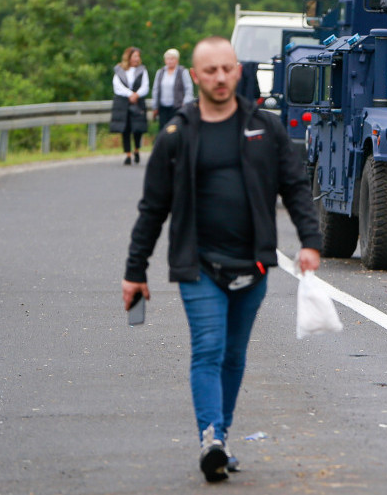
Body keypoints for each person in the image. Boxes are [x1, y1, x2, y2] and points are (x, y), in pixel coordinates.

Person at [120, 36, 321, 483]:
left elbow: (295, 188)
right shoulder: (177, 134)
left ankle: (222, 438)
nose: (219, 77)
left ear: (238, 70)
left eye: (226, 69)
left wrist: (310, 241)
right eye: (209, 71)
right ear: (195, 76)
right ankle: (210, 436)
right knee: (208, 348)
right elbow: (152, 209)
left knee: (233, 354)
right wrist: (135, 271)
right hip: (199, 265)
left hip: (254, 264)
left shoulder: (264, 128)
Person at [109, 46, 150, 165]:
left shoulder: (142, 70)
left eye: (138, 56)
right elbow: (117, 86)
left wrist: (136, 95)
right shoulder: (120, 70)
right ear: (129, 57)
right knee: (125, 128)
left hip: (138, 101)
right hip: (123, 102)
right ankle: (127, 154)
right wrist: (129, 94)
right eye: (135, 56)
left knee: (137, 128)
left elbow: (145, 86)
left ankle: (136, 149)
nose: (137, 59)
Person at [151, 48, 194, 126]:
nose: (170, 61)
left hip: (177, 107)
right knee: (163, 129)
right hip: (163, 107)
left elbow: (188, 88)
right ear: (165, 60)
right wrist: (155, 106)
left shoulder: (183, 72)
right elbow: (155, 90)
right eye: (168, 59)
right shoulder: (160, 72)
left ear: (177, 60)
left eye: (172, 59)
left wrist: (185, 103)